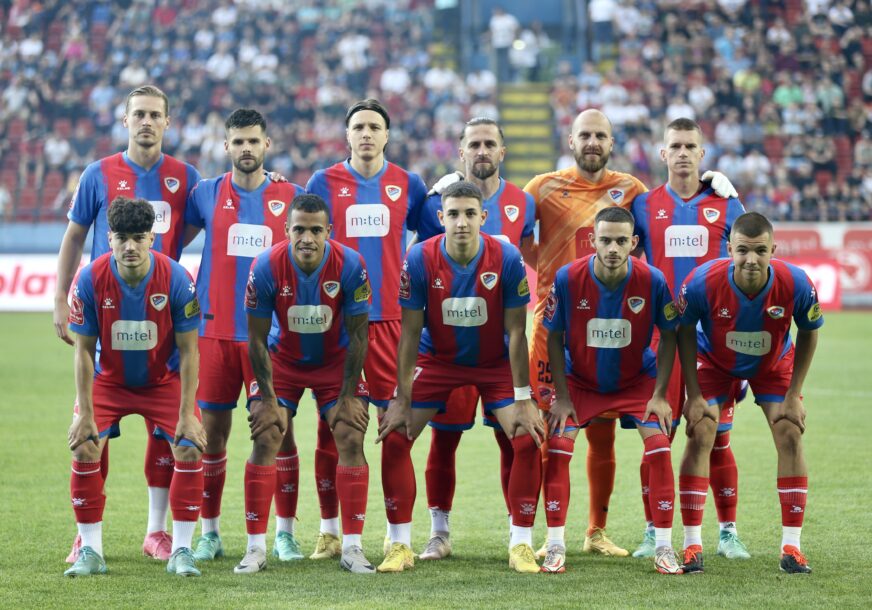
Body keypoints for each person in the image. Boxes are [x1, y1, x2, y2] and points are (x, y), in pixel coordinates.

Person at [525, 108, 737, 557]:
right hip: (554, 327)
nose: (592, 142)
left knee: (602, 436)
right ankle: (547, 536)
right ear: (570, 140)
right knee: (549, 432)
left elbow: (672, 207)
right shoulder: (542, 186)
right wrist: (546, 269)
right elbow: (508, 224)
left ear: (611, 142)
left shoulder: (633, 191)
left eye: (600, 136)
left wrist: (712, 184)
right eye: (585, 135)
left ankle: (596, 530)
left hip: (614, 323)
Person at [55, 85, 202, 563]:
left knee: (170, 435)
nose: (146, 122)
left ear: (167, 122)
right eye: (138, 114)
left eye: (155, 114)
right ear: (125, 120)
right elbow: (74, 236)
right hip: (107, 310)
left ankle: (158, 532)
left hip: (163, 313)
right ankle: (87, 536)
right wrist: (60, 297)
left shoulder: (186, 177)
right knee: (90, 432)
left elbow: (212, 215)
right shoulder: (97, 174)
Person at [375, 181, 545, 574]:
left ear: (483, 217)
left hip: (494, 361)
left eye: (470, 214)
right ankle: (399, 544)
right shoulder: (420, 257)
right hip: (437, 359)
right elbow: (410, 333)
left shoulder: (507, 257)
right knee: (395, 434)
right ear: (441, 218)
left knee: (526, 436)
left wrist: (524, 398)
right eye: (453, 214)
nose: (462, 222)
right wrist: (401, 397)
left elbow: (517, 331)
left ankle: (521, 543)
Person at [306, 99, 427, 559]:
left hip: (391, 323)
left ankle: (399, 539)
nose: (367, 134)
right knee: (332, 431)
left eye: (375, 126)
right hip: (338, 324)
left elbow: (430, 234)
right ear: (347, 134)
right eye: (358, 127)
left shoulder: (409, 184)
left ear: (387, 135)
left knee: (395, 431)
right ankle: (329, 531)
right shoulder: (323, 182)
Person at [183, 108, 304, 563]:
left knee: (277, 431)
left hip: (270, 338)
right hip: (214, 332)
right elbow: (172, 243)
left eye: (254, 141)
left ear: (267, 144)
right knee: (212, 434)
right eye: (238, 141)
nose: (246, 148)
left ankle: (284, 533)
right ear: (226, 146)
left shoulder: (290, 195)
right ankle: (210, 532)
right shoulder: (205, 194)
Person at [64, 196, 205, 577]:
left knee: (190, 445)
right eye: (122, 237)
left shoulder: (177, 278)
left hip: (163, 380)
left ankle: (182, 551)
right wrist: (85, 413)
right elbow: (83, 351)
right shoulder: (90, 279)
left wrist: (187, 414)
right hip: (109, 380)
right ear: (109, 238)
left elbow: (189, 351)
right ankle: (90, 551)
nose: (130, 246)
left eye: (138, 237)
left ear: (151, 239)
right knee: (84, 444)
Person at [414, 117, 536, 560]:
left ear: (502, 151)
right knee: (444, 438)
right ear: (461, 152)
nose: (482, 151)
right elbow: (421, 258)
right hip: (446, 345)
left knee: (512, 438)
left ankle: (517, 535)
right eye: (474, 144)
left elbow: (534, 258)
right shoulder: (434, 202)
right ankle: (439, 533)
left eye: (489, 144)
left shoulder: (524, 202)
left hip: (499, 349)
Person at [676, 211, 822, 575]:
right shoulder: (702, 282)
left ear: (774, 249)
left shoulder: (796, 282)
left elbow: (809, 331)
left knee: (790, 432)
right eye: (743, 250)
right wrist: (693, 393)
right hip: (713, 361)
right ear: (730, 250)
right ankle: (692, 544)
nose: (751, 259)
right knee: (701, 431)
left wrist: (794, 394)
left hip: (772, 364)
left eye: (760, 250)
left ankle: (792, 547)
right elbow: (683, 331)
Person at [630, 118, 750, 560]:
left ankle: (728, 532)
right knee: (656, 441)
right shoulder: (643, 205)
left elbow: (748, 265)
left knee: (715, 436)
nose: (682, 153)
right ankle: (652, 530)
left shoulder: (727, 204)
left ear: (702, 154)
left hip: (713, 344)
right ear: (663, 154)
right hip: (661, 341)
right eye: (675, 146)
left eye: (690, 146)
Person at [541, 206, 682, 575]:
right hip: (580, 382)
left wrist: (660, 395)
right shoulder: (568, 277)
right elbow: (553, 337)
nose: (613, 248)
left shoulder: (652, 280)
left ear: (634, 242)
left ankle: (664, 548)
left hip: (636, 381)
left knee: (660, 447)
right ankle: (555, 545)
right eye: (606, 240)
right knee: (558, 448)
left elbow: (670, 336)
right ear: (593, 240)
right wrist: (562, 396)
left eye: (621, 241)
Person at [240, 194, 375, 574]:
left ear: (328, 231)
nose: (307, 238)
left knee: (350, 435)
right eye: (299, 229)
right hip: (283, 361)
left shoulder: (351, 264)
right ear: (286, 230)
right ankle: (255, 548)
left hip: (335, 362)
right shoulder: (265, 266)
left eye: (316, 230)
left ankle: (352, 547)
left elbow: (359, 334)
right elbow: (256, 339)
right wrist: (268, 400)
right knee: (266, 434)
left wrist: (348, 396)